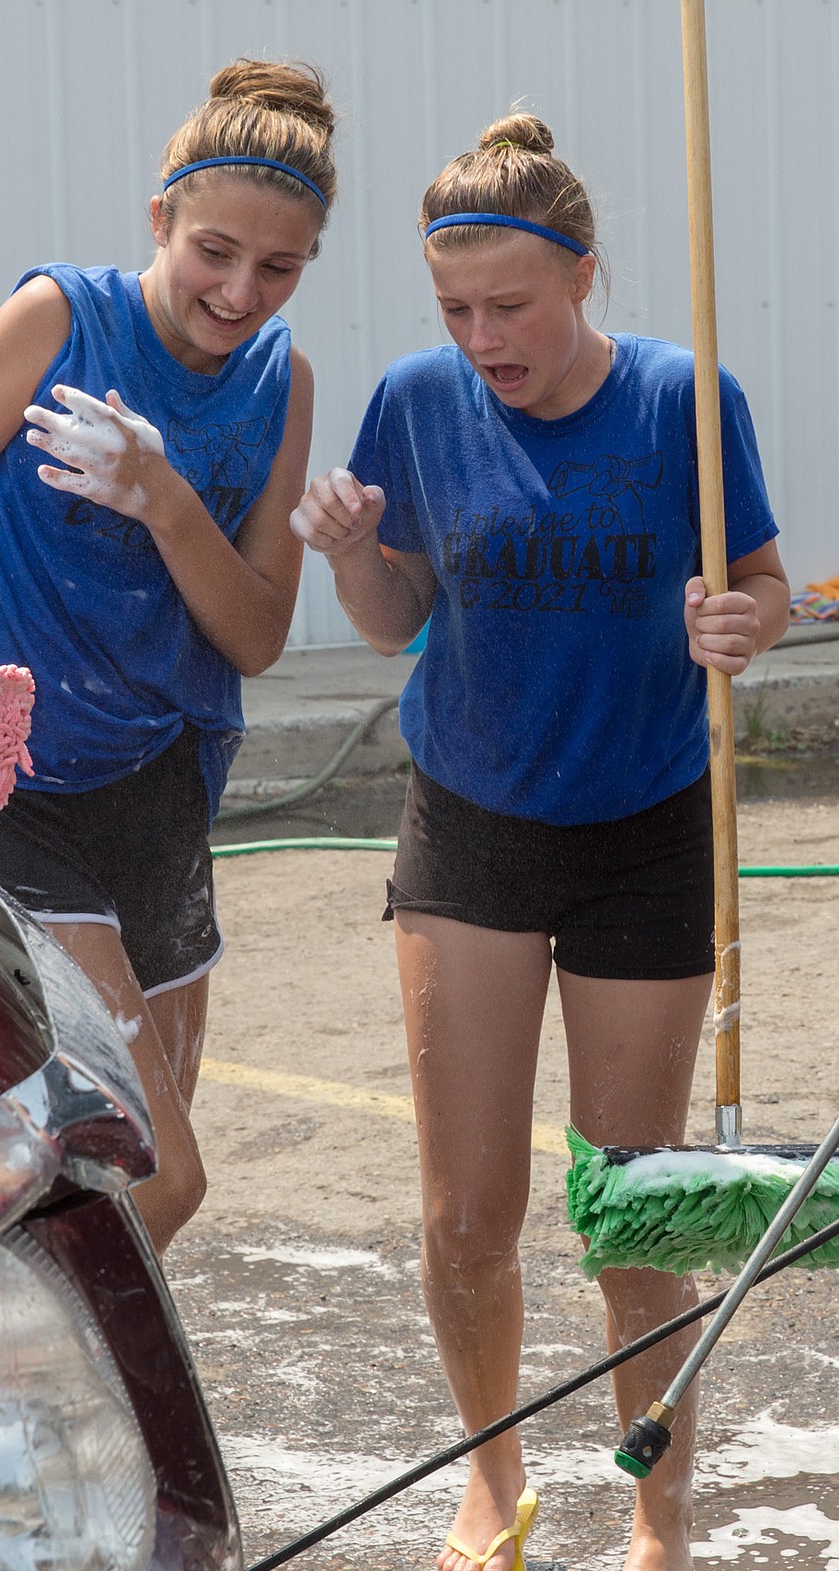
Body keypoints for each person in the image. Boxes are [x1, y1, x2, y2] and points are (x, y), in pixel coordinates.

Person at [289, 113, 788, 1571]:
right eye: (455, 308)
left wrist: (742, 622)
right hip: (472, 825)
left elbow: (761, 586)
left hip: (644, 824)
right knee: (465, 1212)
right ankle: (487, 1482)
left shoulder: (684, 400)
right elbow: (397, 623)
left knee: (632, 1209)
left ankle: (657, 1508)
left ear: (582, 275)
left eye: (510, 304)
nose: (482, 335)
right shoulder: (416, 400)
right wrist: (346, 553)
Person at [0, 58, 337, 1257]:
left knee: (109, 1176)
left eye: (279, 268)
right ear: (159, 218)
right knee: (157, 1167)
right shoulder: (60, 317)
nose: (239, 291)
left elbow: (258, 635)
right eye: (214, 251)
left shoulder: (282, 384)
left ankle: (33, 1388)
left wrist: (167, 498)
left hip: (163, 784)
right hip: (8, 774)